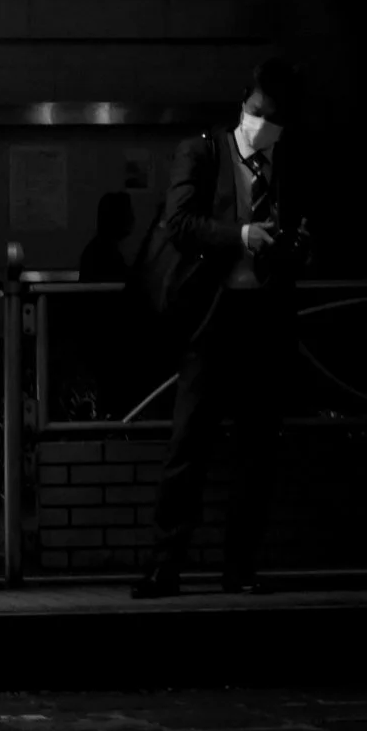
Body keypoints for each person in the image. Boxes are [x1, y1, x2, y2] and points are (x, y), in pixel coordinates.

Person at [128, 57, 313, 599]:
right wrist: (241, 234)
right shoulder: (204, 151)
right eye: (258, 111)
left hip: (264, 316)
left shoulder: (288, 161)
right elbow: (179, 222)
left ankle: (240, 568)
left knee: (257, 451)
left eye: (272, 117)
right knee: (189, 444)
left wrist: (296, 246)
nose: (263, 125)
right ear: (244, 103)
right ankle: (166, 566)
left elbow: (299, 227)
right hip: (212, 316)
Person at [77, 190, 135, 281]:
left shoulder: (99, 248)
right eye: (129, 213)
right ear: (117, 218)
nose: (133, 219)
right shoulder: (105, 253)